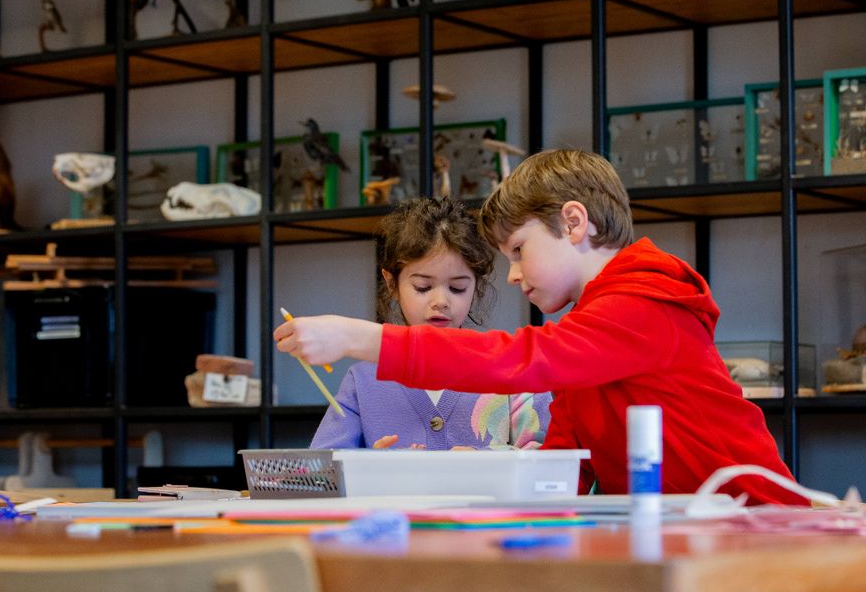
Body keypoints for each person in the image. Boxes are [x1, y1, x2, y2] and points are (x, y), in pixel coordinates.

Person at [276, 149, 806, 505]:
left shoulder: (643, 300)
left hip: (758, 525)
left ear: (573, 223)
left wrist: (359, 338)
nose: (513, 274)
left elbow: (521, 360)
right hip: (691, 531)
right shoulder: (592, 333)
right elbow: (564, 467)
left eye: (519, 250)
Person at [310, 196, 551, 450]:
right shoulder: (363, 381)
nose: (441, 302)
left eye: (457, 288)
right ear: (391, 283)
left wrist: (487, 462)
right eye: (422, 287)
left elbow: (551, 461)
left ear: (476, 287)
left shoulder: (513, 368)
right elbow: (320, 470)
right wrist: (370, 465)